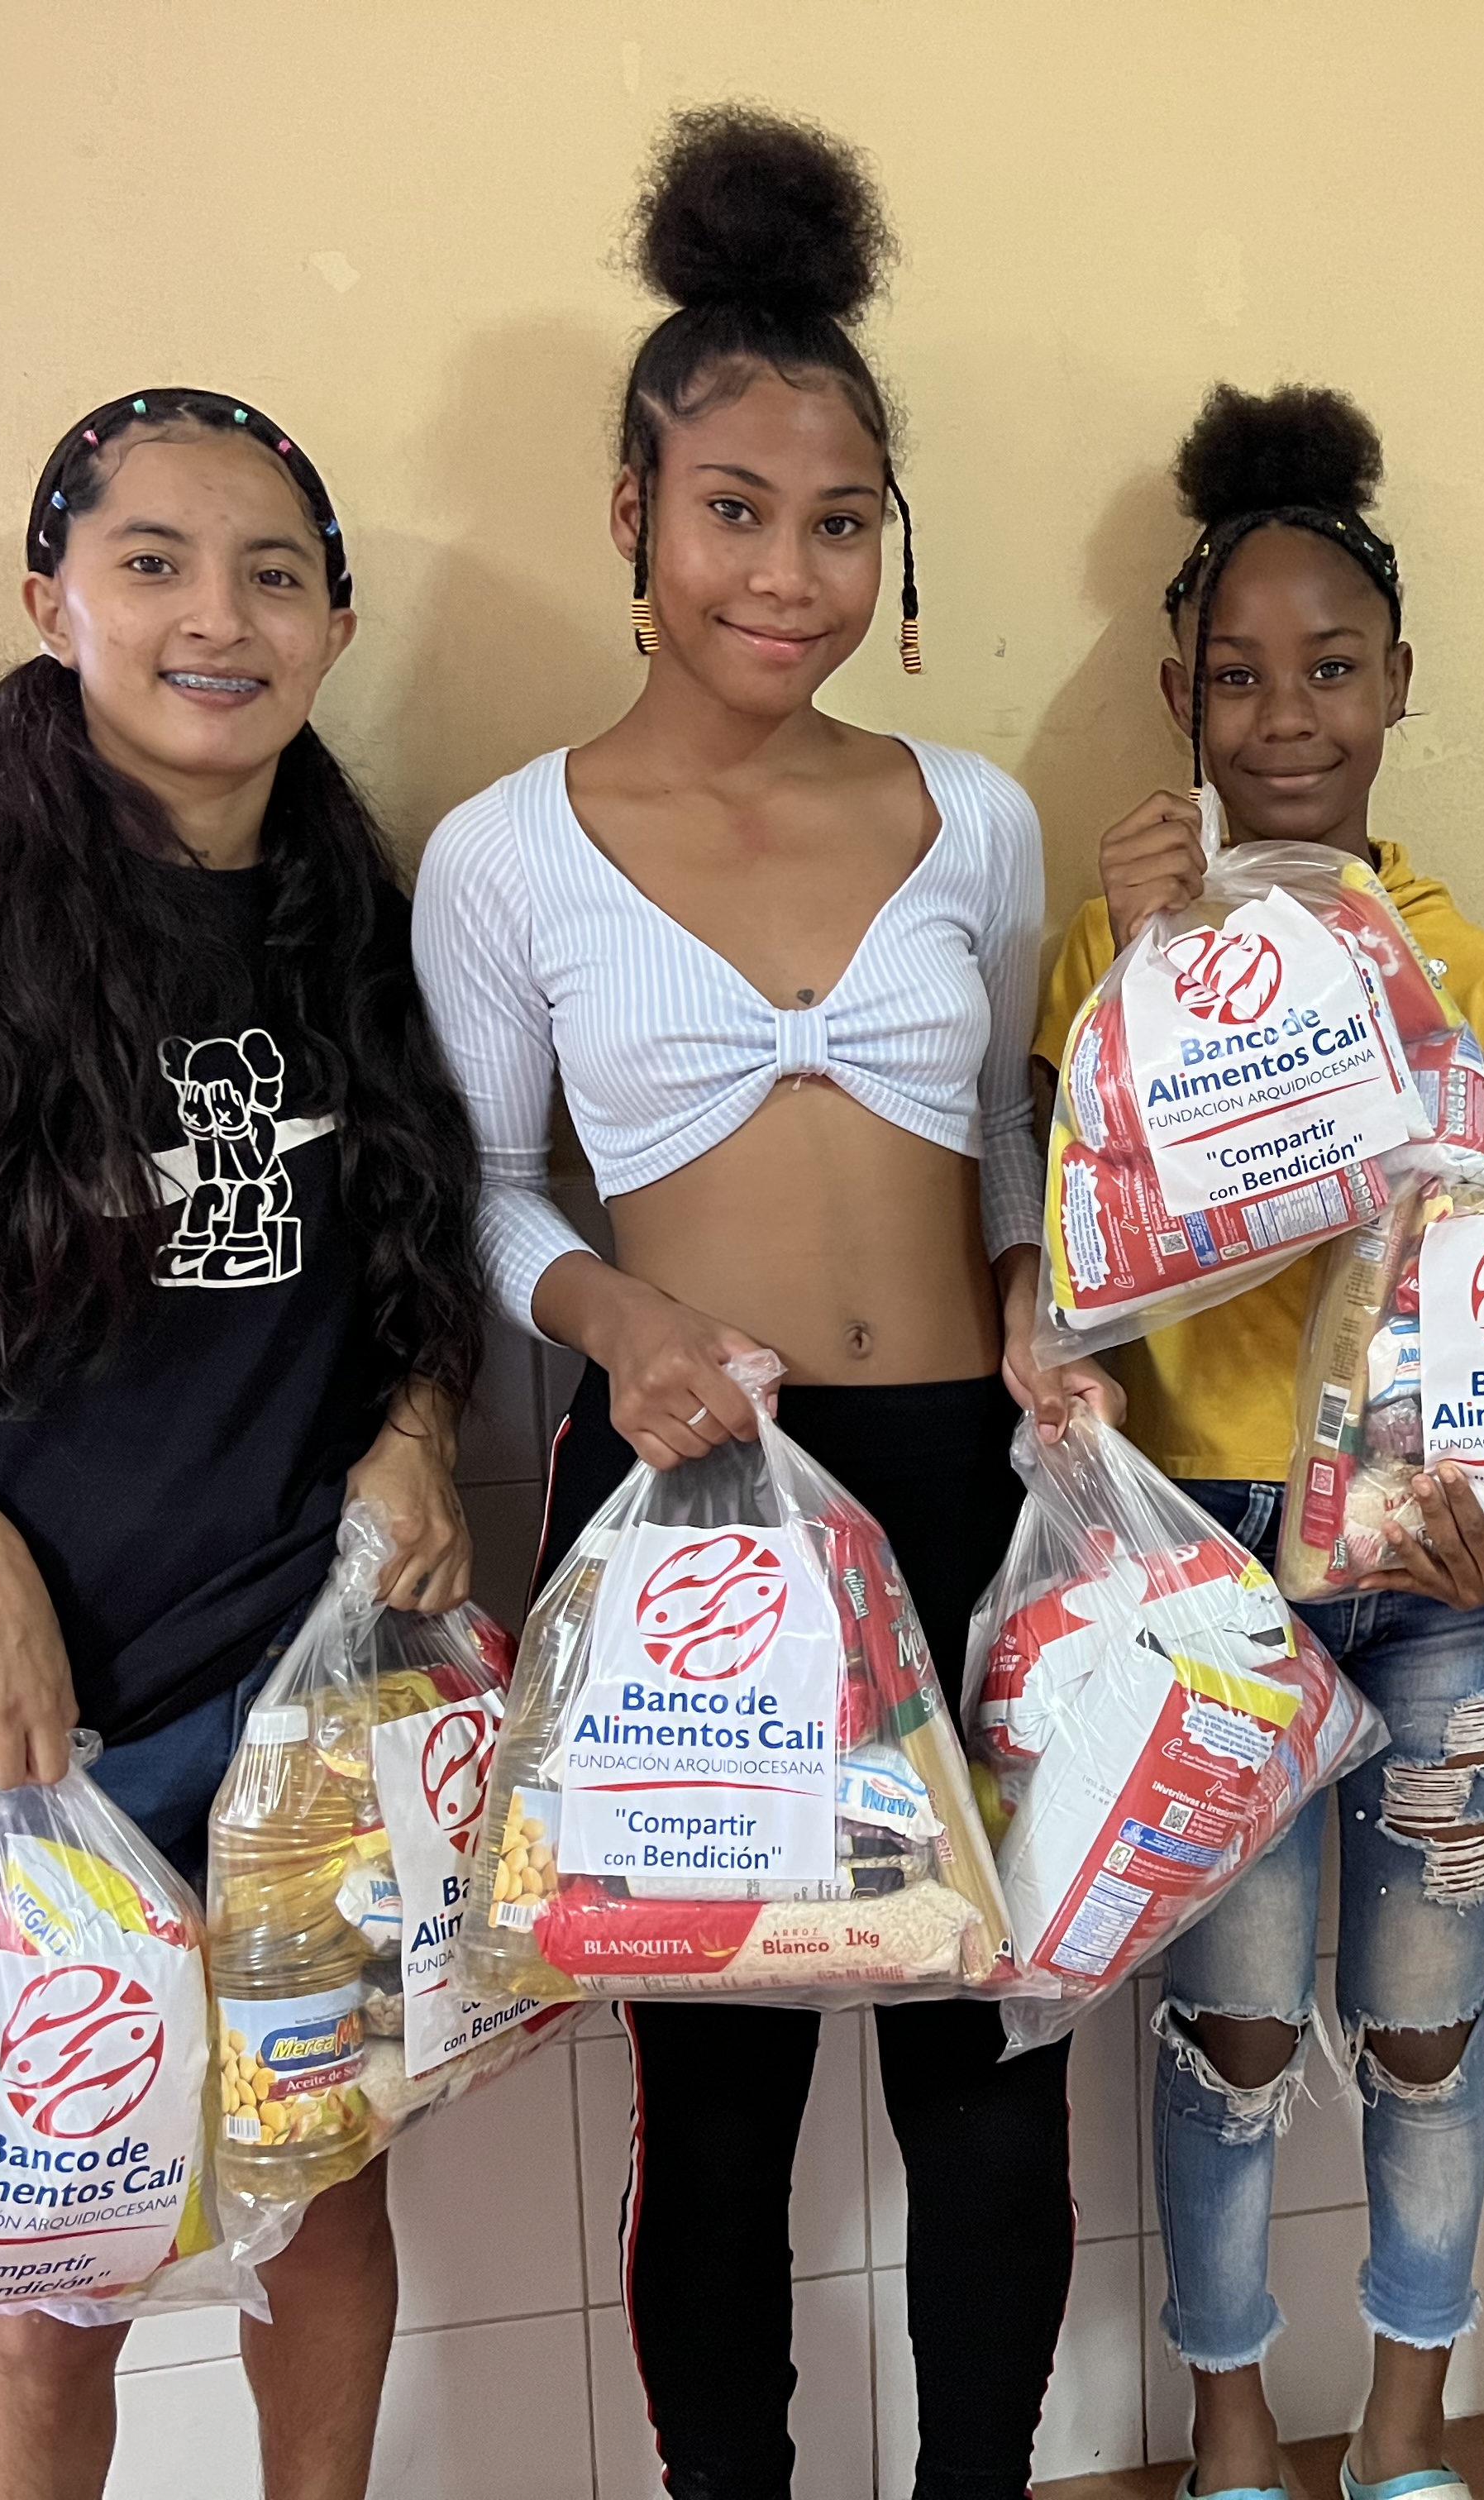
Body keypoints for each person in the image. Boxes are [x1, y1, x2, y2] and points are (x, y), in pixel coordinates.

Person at [413, 107, 1111, 2500]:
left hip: (967, 1493)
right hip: (691, 1513)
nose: (789, 575)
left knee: (987, 2084)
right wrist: (618, 1325)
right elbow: (482, 1188)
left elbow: (1004, 1135)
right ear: (632, 512)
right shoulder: (505, 852)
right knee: (712, 2105)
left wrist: (1028, 1293)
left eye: (841, 522)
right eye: (735, 511)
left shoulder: (973, 813)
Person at [0, 389, 486, 2500]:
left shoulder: (357, 912)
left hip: (312, 1692)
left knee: (326, 2194)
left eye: (271, 574)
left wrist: (419, 1431)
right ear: (54, 599)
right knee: (46, 2260)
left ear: (333, 625)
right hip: (26, 1709)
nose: (215, 617)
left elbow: (423, 1245)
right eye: (152, 563)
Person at [1036, 383, 1484, 2500]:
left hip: (1441, 1573)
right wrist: (1154, 966)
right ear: (1180, 696)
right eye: (1241, 675)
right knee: (1234, 2031)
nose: (1287, 717)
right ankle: (1236, 2433)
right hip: (1205, 1573)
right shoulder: (1105, 952)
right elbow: (1071, 1265)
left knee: (1427, 2028)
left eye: (1332, 669)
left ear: (1399, 685)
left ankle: (1412, 2433)